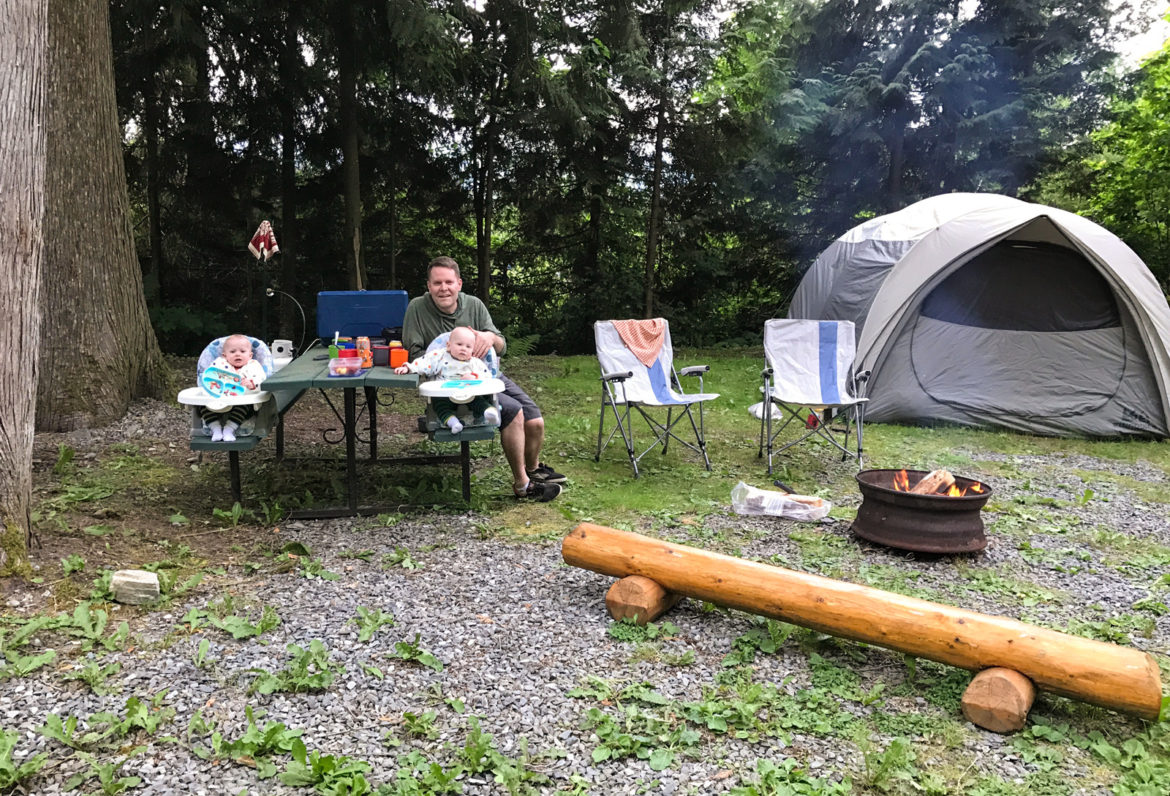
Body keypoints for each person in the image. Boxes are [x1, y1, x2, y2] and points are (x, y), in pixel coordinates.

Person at [402, 256, 565, 501]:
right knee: (514, 412)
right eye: (437, 283)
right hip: (449, 384)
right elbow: (413, 353)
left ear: (459, 283)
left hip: (487, 374)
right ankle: (523, 486)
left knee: (536, 422)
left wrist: (488, 337)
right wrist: (449, 360)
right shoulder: (417, 308)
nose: (443, 288)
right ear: (429, 285)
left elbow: (502, 346)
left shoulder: (475, 305)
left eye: (449, 282)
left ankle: (533, 469)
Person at [394, 326, 501, 435]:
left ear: (473, 350)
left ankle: (489, 412)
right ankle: (453, 423)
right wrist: (408, 368)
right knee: (439, 406)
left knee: (479, 402)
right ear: (449, 345)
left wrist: (474, 376)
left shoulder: (475, 363)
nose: (464, 348)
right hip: (445, 395)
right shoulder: (439, 356)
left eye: (468, 346)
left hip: (470, 394)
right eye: (459, 344)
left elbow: (487, 377)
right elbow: (424, 363)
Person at [199, 334, 266, 442]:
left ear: (250, 355)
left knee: (245, 406)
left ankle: (229, 429)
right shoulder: (219, 364)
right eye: (233, 352)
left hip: (241, 399)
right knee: (203, 404)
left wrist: (252, 383)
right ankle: (215, 428)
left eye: (242, 351)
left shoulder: (253, 365)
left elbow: (262, 379)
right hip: (219, 397)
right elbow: (209, 376)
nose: (237, 354)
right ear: (224, 355)